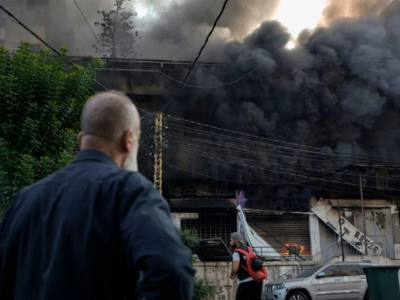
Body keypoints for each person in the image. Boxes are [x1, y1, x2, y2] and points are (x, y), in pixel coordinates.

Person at [0, 91, 195, 300]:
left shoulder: (24, 200)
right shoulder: (130, 192)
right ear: (128, 140)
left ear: (80, 139)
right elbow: (173, 272)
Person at [229, 232, 263, 300]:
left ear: (236, 240)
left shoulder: (236, 252)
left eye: (231, 240)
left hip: (245, 282)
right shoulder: (250, 249)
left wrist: (232, 275)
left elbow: (235, 269)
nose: (230, 242)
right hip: (257, 282)